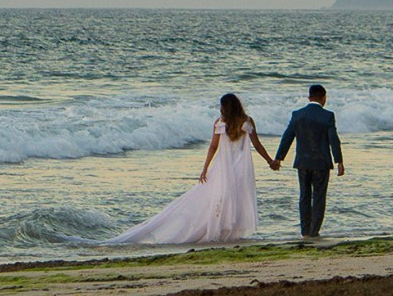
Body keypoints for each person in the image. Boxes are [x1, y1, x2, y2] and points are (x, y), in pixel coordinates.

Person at [107, 93, 277, 245]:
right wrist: (270, 161)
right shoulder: (246, 121)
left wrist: (205, 168)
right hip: (240, 167)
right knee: (234, 197)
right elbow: (257, 145)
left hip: (223, 167)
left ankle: (222, 229)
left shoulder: (220, 123)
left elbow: (213, 147)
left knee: (220, 197)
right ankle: (228, 230)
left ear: (225, 108)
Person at [271, 83, 344, 237]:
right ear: (324, 98)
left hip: (302, 163)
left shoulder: (297, 114)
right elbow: (333, 139)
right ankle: (314, 231)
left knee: (304, 196)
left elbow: (287, 137)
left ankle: (305, 231)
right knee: (319, 197)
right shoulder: (328, 116)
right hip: (321, 162)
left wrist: (278, 158)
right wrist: (339, 161)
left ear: (309, 97)